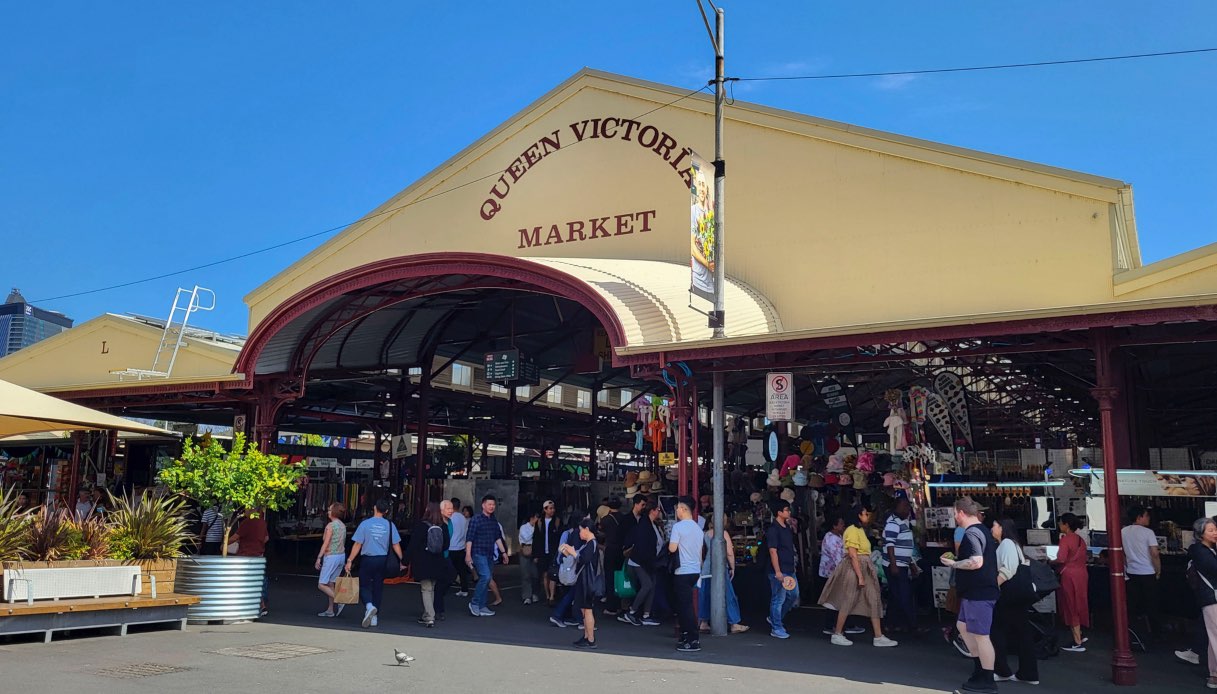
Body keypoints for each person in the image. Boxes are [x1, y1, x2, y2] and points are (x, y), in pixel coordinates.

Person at [941, 497, 999, 694]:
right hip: (975, 591)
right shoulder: (982, 530)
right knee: (963, 627)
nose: (954, 516)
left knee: (981, 636)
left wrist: (954, 564)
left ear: (961, 513)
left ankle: (988, 678)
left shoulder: (972, 533)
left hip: (979, 592)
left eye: (955, 513)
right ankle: (979, 670)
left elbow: (976, 561)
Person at [820, 503, 898, 647]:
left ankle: (878, 635)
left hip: (864, 565)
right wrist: (860, 576)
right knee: (848, 600)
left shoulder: (859, 529)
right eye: (864, 513)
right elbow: (853, 554)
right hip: (855, 567)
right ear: (858, 515)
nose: (867, 516)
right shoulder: (851, 531)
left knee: (874, 599)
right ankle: (837, 633)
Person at [991, 518, 1039, 685]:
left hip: (1008, 595)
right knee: (1022, 633)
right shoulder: (1015, 545)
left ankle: (1002, 669)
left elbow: (1007, 569)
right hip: (1019, 595)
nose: (992, 528)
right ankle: (1029, 672)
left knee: (997, 631)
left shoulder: (1006, 544)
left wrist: (993, 586)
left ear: (1002, 528)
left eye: (995, 525)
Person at [345, 498, 405, 628]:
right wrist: (402, 560)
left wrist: (350, 560)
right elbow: (396, 544)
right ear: (387, 511)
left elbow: (357, 544)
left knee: (364, 585)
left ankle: (369, 606)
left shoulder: (365, 524)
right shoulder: (390, 525)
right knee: (378, 587)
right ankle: (374, 617)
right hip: (383, 559)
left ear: (374, 508)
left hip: (368, 559)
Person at [698, 516, 749, 634]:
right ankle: (734, 622)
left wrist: (701, 567)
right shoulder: (723, 533)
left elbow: (700, 552)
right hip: (720, 567)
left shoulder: (705, 534)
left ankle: (704, 622)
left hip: (706, 568)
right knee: (728, 595)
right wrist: (733, 567)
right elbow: (729, 553)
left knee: (706, 595)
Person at [406, 501, 453, 627]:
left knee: (426, 589)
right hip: (438, 561)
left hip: (423, 561)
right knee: (431, 588)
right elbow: (447, 545)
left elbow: (413, 545)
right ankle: (427, 614)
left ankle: (429, 616)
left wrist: (405, 561)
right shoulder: (443, 525)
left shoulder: (421, 525)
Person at [559, 518, 603, 649]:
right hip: (585, 580)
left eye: (581, 530)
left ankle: (590, 639)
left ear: (587, 529)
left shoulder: (592, 544)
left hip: (587, 581)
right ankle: (586, 636)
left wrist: (572, 552)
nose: (579, 533)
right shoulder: (589, 544)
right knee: (584, 609)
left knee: (587, 610)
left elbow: (584, 559)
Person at [620, 499, 663, 627]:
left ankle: (646, 614)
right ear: (653, 511)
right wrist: (650, 562)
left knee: (651, 585)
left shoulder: (648, 523)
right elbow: (644, 547)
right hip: (641, 561)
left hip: (644, 561)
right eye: (658, 510)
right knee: (648, 585)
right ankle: (632, 611)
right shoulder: (645, 525)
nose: (659, 512)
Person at [669, 495, 704, 652]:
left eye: (678, 507)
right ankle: (686, 634)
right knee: (686, 605)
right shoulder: (698, 528)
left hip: (681, 570)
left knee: (685, 607)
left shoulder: (678, 527)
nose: (676, 510)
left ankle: (692, 638)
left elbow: (672, 548)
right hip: (695, 570)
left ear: (683, 509)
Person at [465, 494, 508, 617]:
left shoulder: (493, 520)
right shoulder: (476, 519)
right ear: (483, 505)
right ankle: (475, 603)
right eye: (489, 504)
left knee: (487, 578)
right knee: (485, 576)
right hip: (478, 553)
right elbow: (470, 538)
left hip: (489, 554)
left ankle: (482, 606)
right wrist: (468, 554)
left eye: (493, 505)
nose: (492, 507)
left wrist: (503, 552)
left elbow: (497, 538)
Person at [1187, 516, 1217, 689]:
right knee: (1214, 635)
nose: (1215, 533)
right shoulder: (1200, 551)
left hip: (1211, 596)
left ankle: (1214, 674)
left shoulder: (1210, 549)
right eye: (1211, 530)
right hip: (1210, 597)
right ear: (1201, 534)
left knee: (1214, 635)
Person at [1053, 512, 1090, 652]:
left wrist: (1050, 561)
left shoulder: (1065, 539)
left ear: (1066, 525)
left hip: (1069, 575)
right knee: (1080, 602)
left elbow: (1061, 558)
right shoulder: (1080, 539)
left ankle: (1077, 641)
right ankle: (1080, 632)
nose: (1059, 525)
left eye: (1061, 522)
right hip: (1082, 573)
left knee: (1070, 604)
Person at [883, 497, 921, 635]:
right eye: (904, 506)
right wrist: (894, 564)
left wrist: (911, 563)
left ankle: (891, 623)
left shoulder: (902, 522)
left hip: (902, 563)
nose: (907, 510)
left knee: (896, 595)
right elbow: (890, 545)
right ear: (896, 507)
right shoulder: (893, 523)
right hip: (896, 565)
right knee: (904, 594)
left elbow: (905, 545)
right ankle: (913, 626)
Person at [1122, 506, 1161, 638]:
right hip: (1147, 572)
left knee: (1134, 603)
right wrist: (1158, 570)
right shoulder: (1148, 532)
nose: (1148, 518)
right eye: (1146, 515)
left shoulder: (1123, 531)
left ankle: (1135, 631)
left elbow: (1121, 553)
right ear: (1139, 517)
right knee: (1152, 604)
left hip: (1132, 571)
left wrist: (1127, 565)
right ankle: (1155, 633)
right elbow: (1154, 553)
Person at [765, 499, 800, 639]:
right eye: (786, 510)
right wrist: (778, 571)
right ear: (779, 513)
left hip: (789, 567)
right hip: (779, 569)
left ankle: (775, 618)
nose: (789, 512)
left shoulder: (787, 527)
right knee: (778, 598)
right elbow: (773, 551)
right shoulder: (773, 530)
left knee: (793, 595)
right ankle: (776, 626)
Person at [231, 508, 271, 617]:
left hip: (246, 555)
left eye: (246, 509)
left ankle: (245, 605)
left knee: (244, 581)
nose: (245, 512)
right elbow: (266, 538)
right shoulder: (262, 522)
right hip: (258, 554)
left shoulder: (247, 522)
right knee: (256, 581)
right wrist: (257, 543)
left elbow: (235, 537)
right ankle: (261, 606)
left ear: (251, 510)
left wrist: (224, 544)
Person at [315, 502, 348, 618]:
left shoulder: (330, 526)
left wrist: (319, 557)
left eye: (329, 510)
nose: (328, 512)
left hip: (331, 556)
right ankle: (330, 609)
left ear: (334, 512)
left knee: (321, 584)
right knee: (331, 583)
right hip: (341, 556)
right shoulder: (343, 526)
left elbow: (326, 543)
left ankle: (340, 600)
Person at [599, 498, 629, 616]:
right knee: (620, 577)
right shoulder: (624, 518)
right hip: (621, 550)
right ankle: (622, 604)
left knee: (610, 578)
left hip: (610, 550)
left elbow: (602, 533)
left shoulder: (606, 519)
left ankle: (611, 606)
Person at [538, 499, 562, 606]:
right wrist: (536, 554)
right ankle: (547, 595)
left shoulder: (557, 521)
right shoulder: (539, 522)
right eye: (550, 508)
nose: (552, 510)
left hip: (553, 552)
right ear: (545, 510)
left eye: (553, 508)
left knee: (552, 574)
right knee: (545, 574)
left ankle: (552, 596)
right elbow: (536, 539)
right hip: (543, 552)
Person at [447, 497, 471, 597]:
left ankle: (444, 588)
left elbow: (447, 532)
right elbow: (466, 533)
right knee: (462, 570)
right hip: (461, 547)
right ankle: (464, 589)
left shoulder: (449, 518)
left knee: (446, 568)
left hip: (450, 547)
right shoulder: (463, 518)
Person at [519, 509, 540, 605]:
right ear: (532, 518)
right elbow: (526, 538)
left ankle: (535, 593)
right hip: (526, 550)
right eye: (536, 517)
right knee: (526, 574)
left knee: (535, 574)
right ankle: (526, 596)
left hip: (535, 551)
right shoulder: (524, 527)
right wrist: (534, 530)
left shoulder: (538, 527)